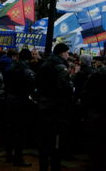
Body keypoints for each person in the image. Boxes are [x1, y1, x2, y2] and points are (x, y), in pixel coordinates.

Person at [36, 43, 74, 171]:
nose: (68, 55)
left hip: (44, 105)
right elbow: (64, 88)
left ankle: (43, 166)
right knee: (56, 141)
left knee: (44, 140)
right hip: (56, 108)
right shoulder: (60, 67)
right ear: (61, 52)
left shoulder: (44, 64)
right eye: (67, 52)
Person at [4, 49, 35, 167]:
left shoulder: (11, 66)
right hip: (21, 101)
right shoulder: (26, 69)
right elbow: (32, 84)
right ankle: (18, 158)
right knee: (20, 131)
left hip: (10, 99)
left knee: (10, 129)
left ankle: (8, 155)